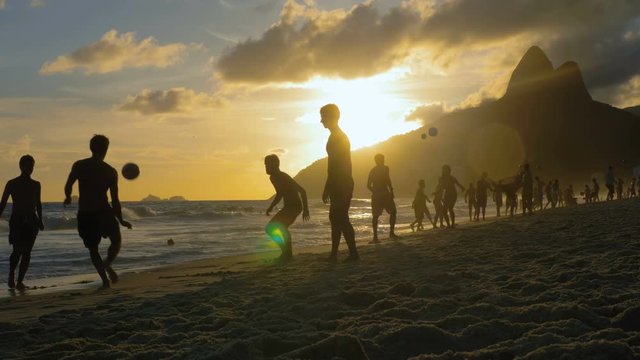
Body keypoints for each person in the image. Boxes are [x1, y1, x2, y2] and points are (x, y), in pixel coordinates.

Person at [64, 135, 132, 289]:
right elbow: (115, 200)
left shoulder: (80, 166)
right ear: (106, 149)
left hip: (86, 213)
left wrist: (68, 196)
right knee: (116, 240)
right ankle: (107, 264)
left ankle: (105, 280)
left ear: (91, 147)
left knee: (93, 249)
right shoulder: (110, 171)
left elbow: (69, 184)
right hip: (104, 212)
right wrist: (120, 220)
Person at [320, 104, 358, 262]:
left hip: (341, 182)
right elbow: (334, 165)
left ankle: (353, 254)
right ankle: (334, 254)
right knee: (335, 218)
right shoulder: (336, 136)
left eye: (323, 116)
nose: (321, 120)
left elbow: (337, 165)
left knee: (340, 218)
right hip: (340, 182)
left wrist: (329, 186)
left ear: (330, 117)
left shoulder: (338, 137)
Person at [0, 155, 44, 291]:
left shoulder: (36, 184)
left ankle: (20, 281)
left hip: (32, 221)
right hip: (17, 220)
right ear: (21, 166)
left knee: (27, 252)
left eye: (32, 166)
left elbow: (38, 204)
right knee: (17, 250)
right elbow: (3, 203)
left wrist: (41, 220)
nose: (30, 169)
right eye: (27, 166)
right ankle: (11, 274)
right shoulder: (12, 183)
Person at [264, 154, 310, 262]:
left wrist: (306, 209)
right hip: (288, 206)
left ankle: (287, 254)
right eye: (265, 165)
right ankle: (286, 253)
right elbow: (280, 194)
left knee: (281, 227)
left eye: (267, 165)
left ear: (275, 165)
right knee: (270, 228)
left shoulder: (284, 176)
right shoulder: (273, 178)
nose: (265, 168)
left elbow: (302, 191)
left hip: (295, 206)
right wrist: (271, 207)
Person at [367, 154, 397, 242]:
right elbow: (388, 180)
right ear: (381, 160)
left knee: (375, 216)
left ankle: (375, 237)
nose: (383, 161)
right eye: (383, 159)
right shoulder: (385, 168)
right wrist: (391, 192)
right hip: (385, 193)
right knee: (393, 212)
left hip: (376, 195)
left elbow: (368, 185)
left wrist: (375, 191)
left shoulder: (372, 170)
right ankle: (391, 233)